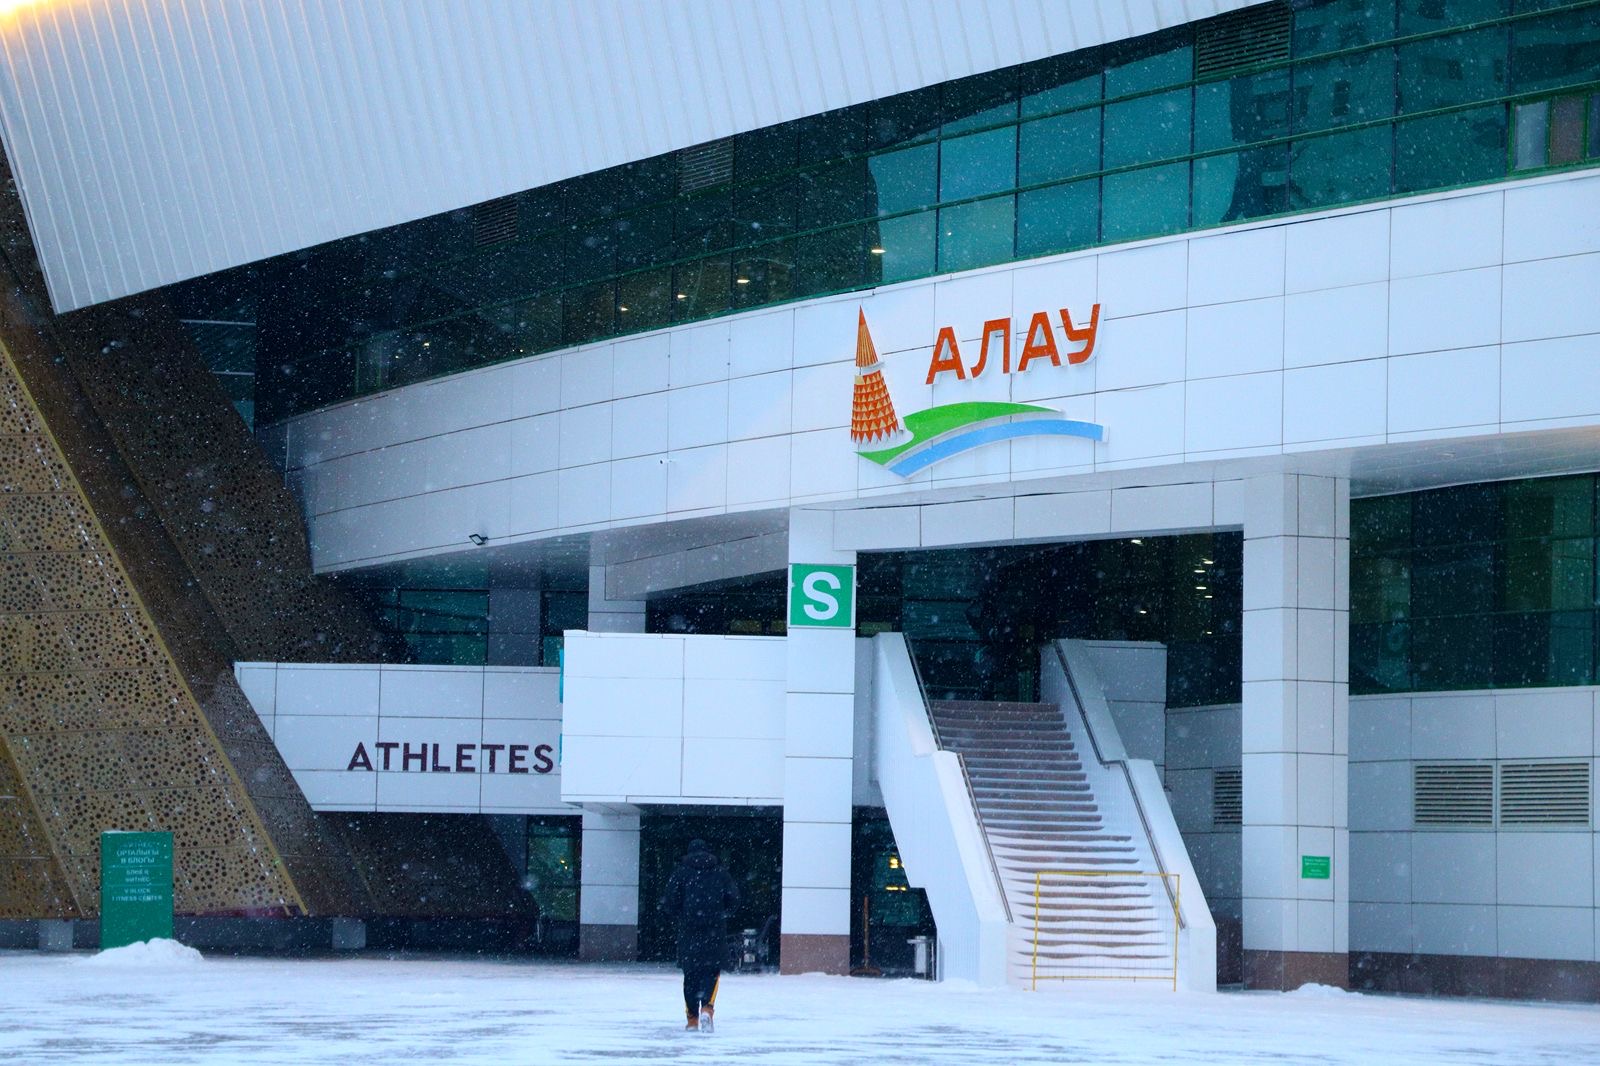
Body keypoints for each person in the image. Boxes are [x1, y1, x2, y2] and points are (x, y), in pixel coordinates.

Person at [659, 838, 739, 1032]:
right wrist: (722, 914)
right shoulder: (720, 873)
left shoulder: (681, 873)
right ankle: (707, 1009)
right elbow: (734, 899)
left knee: (690, 975)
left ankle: (692, 1019)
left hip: (689, 931)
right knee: (712, 972)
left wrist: (681, 915)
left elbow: (669, 901)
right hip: (715, 931)